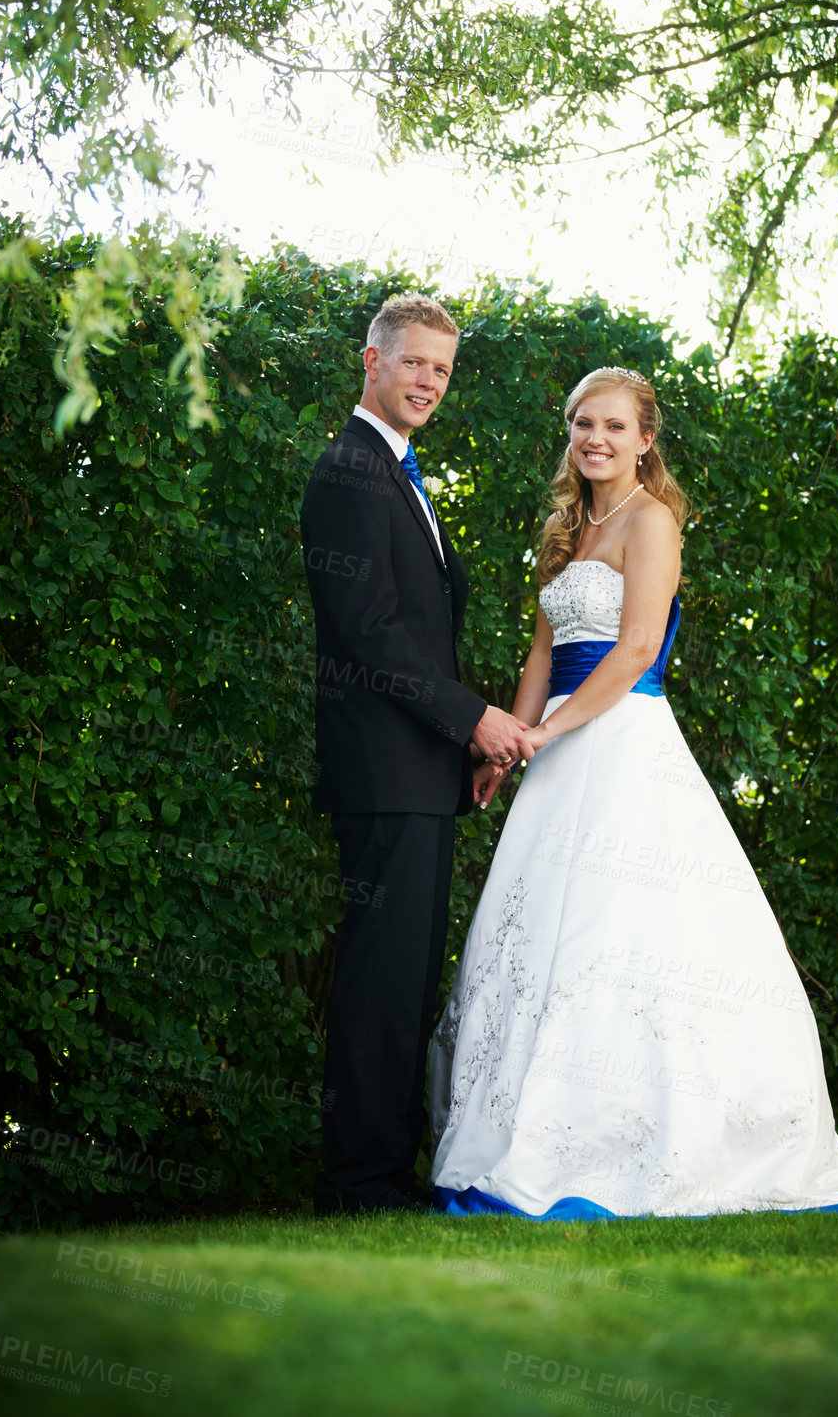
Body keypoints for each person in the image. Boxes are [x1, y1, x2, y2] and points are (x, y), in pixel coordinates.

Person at [428, 366, 838, 1217]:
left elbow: (635, 651)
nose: (596, 440)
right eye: (583, 424)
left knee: (624, 930)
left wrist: (548, 732)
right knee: (538, 935)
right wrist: (508, 745)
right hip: (557, 752)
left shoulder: (652, 522)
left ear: (645, 440)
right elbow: (543, 654)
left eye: (616, 427)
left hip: (621, 743)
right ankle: (524, 1128)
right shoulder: (567, 527)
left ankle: (634, 1136)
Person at [299, 293, 539, 1216]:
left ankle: (384, 1173)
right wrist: (475, 720)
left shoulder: (398, 473)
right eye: (414, 363)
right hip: (381, 774)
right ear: (372, 362)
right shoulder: (348, 474)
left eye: (442, 367)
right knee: (379, 982)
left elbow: (421, 638)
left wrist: (460, 747)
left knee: (405, 983)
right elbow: (369, 634)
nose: (429, 381)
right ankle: (357, 1184)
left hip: (420, 773)